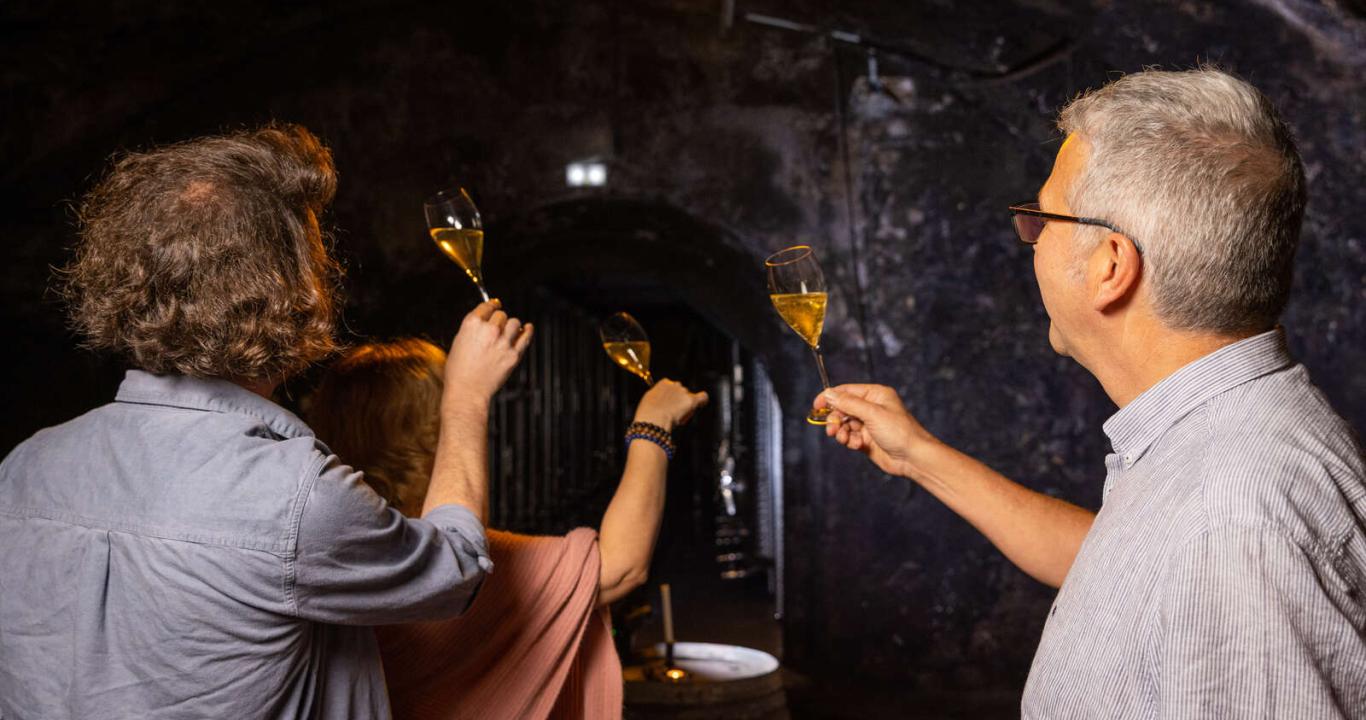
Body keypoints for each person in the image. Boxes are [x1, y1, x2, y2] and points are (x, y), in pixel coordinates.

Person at [814, 67, 1366, 717]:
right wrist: (915, 456)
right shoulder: (1218, 436)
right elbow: (1125, 563)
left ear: (1109, 267)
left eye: (1041, 218)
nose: (1032, 241)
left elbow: (1212, 548)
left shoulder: (1236, 522)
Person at [0, 125, 532, 719]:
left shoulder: (23, 466)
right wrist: (465, 398)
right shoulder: (295, 495)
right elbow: (453, 571)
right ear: (290, 289)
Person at [305, 338, 708, 720]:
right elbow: (620, 567)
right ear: (432, 437)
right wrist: (652, 425)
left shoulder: (322, 549)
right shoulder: (445, 560)